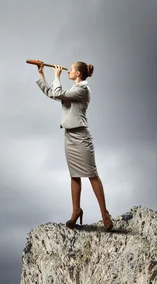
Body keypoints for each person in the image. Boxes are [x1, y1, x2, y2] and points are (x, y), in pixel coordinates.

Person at [35, 60, 113, 231]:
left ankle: (104, 214)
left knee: (92, 174)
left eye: (70, 70)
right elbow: (53, 93)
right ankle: (76, 211)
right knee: (74, 175)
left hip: (81, 136)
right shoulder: (72, 89)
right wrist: (42, 74)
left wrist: (56, 76)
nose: (67, 71)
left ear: (78, 74)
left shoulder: (82, 89)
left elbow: (57, 93)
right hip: (69, 136)